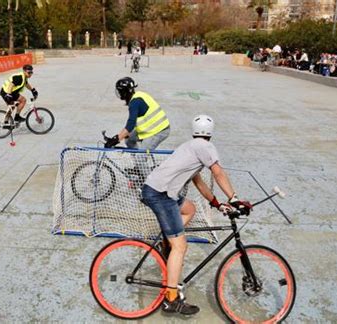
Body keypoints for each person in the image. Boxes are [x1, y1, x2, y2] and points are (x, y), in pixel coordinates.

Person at [141, 115, 252, 315]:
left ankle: (167, 241)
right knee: (180, 246)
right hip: (160, 194)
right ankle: (171, 299)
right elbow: (218, 172)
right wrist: (234, 198)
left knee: (189, 209)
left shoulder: (191, 146)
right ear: (211, 132)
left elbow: (199, 182)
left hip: (159, 190)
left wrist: (217, 204)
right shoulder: (206, 147)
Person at [105, 77, 170, 150]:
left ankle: (140, 159)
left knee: (141, 154)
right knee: (129, 140)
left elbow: (130, 125)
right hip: (150, 127)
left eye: (120, 91)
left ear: (125, 92)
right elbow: (131, 125)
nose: (119, 93)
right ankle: (137, 159)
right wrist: (118, 137)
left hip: (159, 130)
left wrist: (115, 140)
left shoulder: (134, 103)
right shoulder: (138, 95)